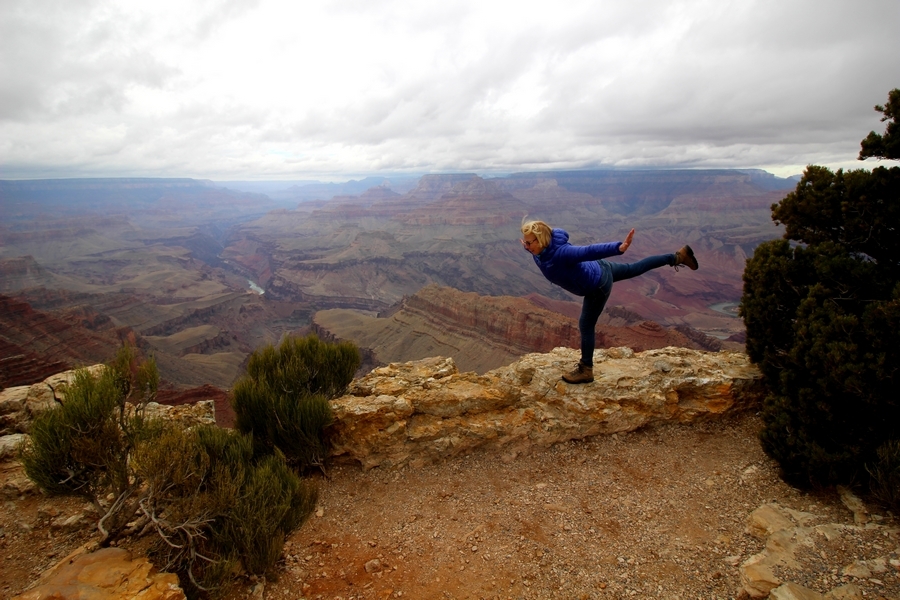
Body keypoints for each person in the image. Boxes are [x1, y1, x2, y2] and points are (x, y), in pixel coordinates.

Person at [521, 219, 698, 384]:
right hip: (600, 267)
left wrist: (618, 248)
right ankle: (677, 257)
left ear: (541, 240)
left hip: (597, 285)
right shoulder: (540, 249)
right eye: (525, 243)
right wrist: (529, 247)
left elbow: (588, 251)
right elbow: (540, 252)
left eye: (529, 243)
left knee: (586, 324)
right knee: (634, 268)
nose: (527, 246)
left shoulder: (562, 253)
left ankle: (586, 369)